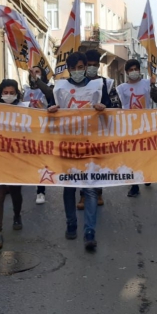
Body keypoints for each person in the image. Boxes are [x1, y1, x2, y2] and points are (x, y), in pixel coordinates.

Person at [48, 52, 109, 251]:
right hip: (68, 144)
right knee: (69, 187)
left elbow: (109, 111)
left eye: (80, 66)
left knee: (90, 187)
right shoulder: (59, 88)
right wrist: (51, 111)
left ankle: (90, 231)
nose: (77, 71)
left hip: (91, 143)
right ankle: (71, 222)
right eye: (72, 68)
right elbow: (50, 111)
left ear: (85, 67)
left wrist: (103, 108)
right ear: (69, 69)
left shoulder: (99, 86)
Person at [116, 59, 157, 197]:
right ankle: (134, 185)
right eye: (131, 70)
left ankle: (147, 173)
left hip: (145, 125)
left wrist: (153, 86)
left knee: (145, 154)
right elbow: (118, 106)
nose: (134, 71)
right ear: (126, 72)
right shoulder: (121, 89)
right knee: (131, 156)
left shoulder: (147, 83)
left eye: (136, 69)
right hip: (129, 127)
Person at [75, 49, 113, 210]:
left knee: (97, 163)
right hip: (80, 132)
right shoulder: (75, 84)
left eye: (94, 65)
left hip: (99, 130)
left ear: (98, 66)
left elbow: (114, 105)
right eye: (87, 65)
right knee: (83, 164)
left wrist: (104, 107)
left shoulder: (106, 83)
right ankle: (83, 194)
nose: (91, 68)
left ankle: (98, 192)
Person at [0, 79, 25, 249]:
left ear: (17, 94)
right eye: (6, 93)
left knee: (15, 192)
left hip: (16, 159)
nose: (9, 95)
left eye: (12, 93)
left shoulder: (25, 110)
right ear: (0, 93)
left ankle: (17, 214)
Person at [26, 66, 52, 205]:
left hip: (43, 130)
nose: (34, 74)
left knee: (41, 161)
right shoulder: (25, 91)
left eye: (37, 72)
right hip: (28, 131)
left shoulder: (48, 90)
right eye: (32, 72)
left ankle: (40, 191)